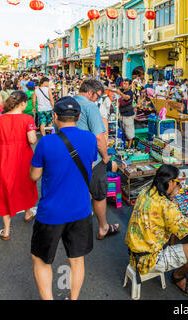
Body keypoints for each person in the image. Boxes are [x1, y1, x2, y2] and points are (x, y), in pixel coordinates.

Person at [29, 96, 97, 300]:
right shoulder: (90, 138)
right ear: (78, 116)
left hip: (51, 212)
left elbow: (35, 175)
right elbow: (90, 166)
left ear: (55, 116)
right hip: (81, 210)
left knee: (41, 259)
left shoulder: (47, 142)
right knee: (76, 260)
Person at [125, 164, 188, 297]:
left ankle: (172, 254)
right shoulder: (167, 208)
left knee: (172, 228)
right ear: (170, 182)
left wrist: (171, 200)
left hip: (134, 254)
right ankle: (178, 276)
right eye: (178, 183)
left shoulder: (146, 192)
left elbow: (162, 208)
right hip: (149, 260)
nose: (179, 186)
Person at [74, 79, 119, 240]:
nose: (98, 100)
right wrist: (106, 156)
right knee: (99, 194)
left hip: (72, 157)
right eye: (98, 96)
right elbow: (99, 138)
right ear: (90, 93)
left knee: (81, 191)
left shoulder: (69, 102)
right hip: (92, 158)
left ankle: (79, 223)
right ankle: (103, 227)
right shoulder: (89, 106)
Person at [0, 91, 38, 241]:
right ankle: (27, 212)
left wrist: (4, 140)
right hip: (23, 156)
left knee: (4, 188)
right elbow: (31, 140)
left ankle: (6, 230)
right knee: (25, 184)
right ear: (23, 103)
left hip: (4, 156)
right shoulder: (27, 118)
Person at [110, 79, 135, 149]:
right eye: (123, 83)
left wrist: (120, 93)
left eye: (126, 84)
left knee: (130, 133)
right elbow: (115, 90)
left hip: (128, 115)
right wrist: (107, 88)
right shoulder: (122, 90)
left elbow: (126, 97)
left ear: (129, 85)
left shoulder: (130, 92)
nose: (124, 85)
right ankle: (124, 146)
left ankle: (129, 148)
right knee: (123, 131)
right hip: (122, 114)